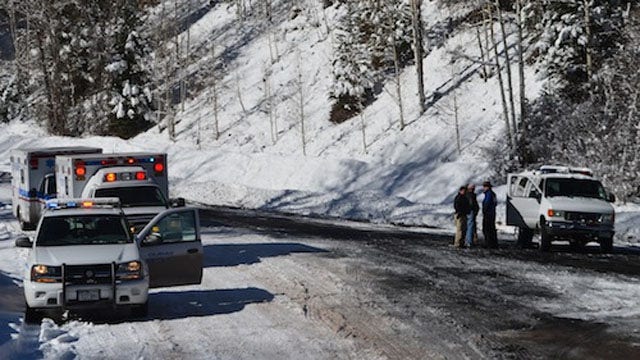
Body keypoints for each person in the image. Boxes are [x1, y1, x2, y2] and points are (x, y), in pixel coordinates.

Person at [482, 181, 498, 248]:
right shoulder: (493, 194)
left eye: (485, 187)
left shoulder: (489, 194)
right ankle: (493, 243)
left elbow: (487, 203)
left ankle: (489, 243)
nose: (484, 188)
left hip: (488, 213)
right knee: (492, 228)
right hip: (492, 213)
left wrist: (484, 210)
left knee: (487, 229)